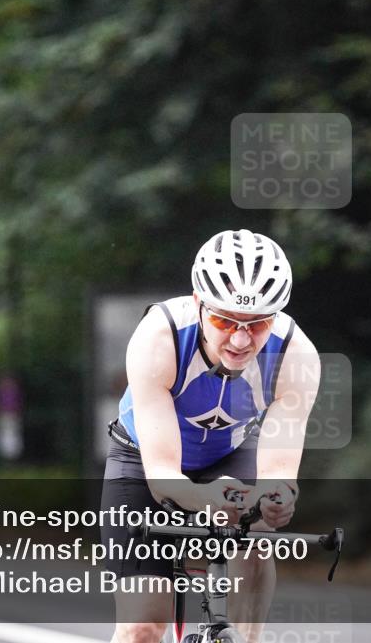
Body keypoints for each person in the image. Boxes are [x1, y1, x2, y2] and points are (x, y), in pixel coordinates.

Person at [101, 229, 320, 643]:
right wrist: (207, 498)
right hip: (143, 459)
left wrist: (276, 501)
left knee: (258, 539)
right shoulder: (159, 336)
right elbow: (163, 475)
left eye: (257, 324)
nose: (240, 340)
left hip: (230, 451)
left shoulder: (295, 354)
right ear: (199, 303)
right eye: (224, 320)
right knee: (143, 626)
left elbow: (278, 472)